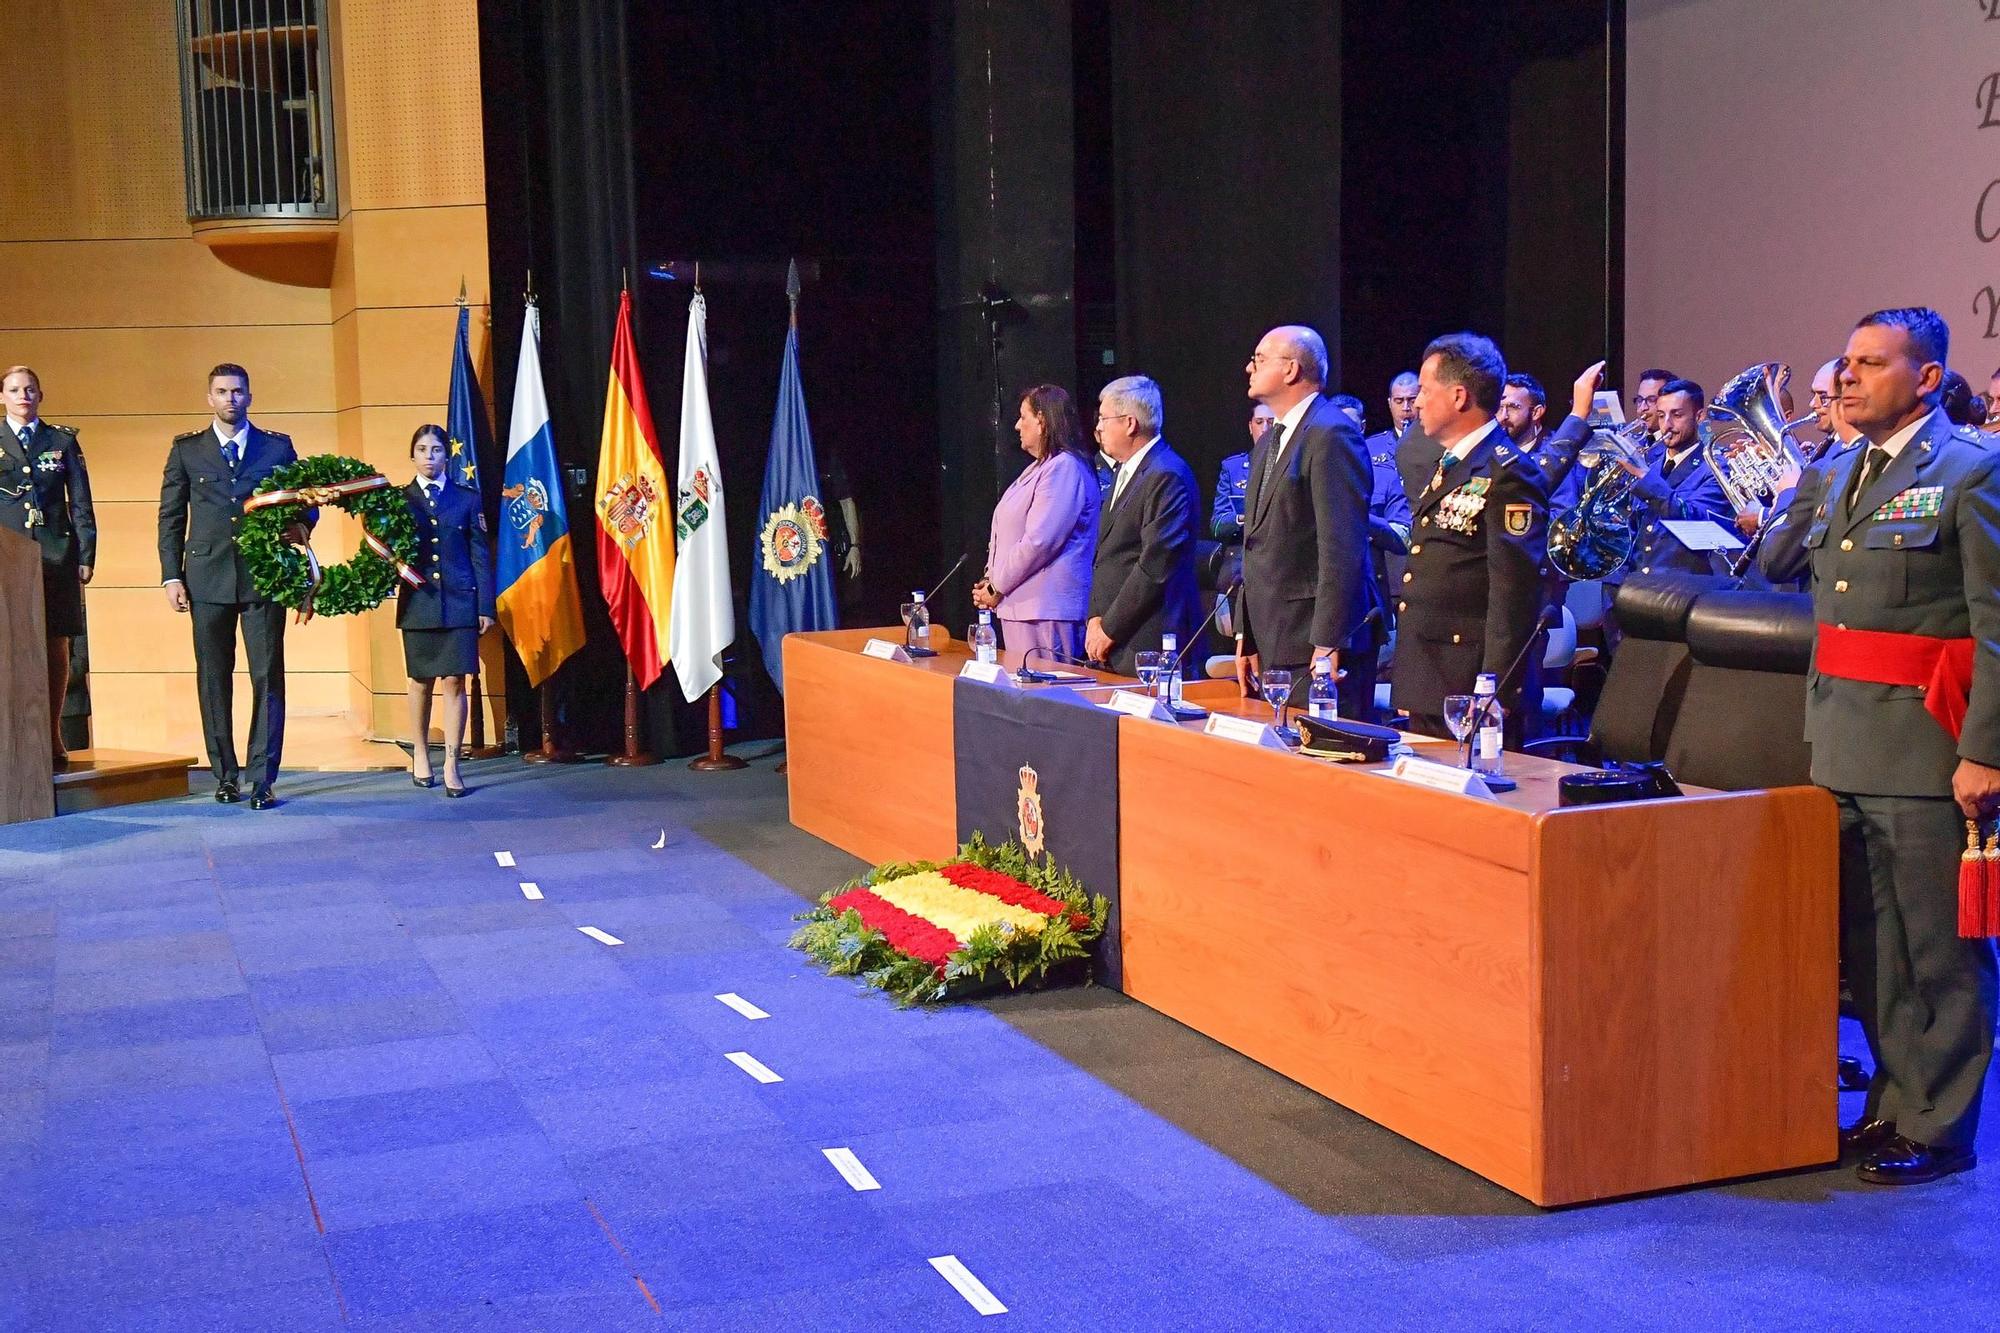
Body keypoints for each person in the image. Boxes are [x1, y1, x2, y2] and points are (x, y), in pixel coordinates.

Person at [1758, 306, 2000, 1186]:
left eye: (1870, 364)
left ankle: (1940, 1127)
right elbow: (1785, 575)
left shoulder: (1974, 471)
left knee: (1936, 946)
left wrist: (1987, 750)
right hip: (1846, 739)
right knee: (1873, 947)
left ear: (1928, 378)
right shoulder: (1840, 469)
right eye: (1846, 363)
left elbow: (1996, 625)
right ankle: (1894, 1104)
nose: (1847, 378)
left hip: (1929, 745)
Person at [1391, 332, 1548, 741]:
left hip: (1471, 683)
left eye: (1425, 390)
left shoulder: (1509, 473)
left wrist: (1494, 684)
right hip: (1432, 671)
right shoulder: (1453, 463)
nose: (1417, 402)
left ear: (1459, 397)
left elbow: (1514, 590)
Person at [157, 364, 299, 809]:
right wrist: (171, 574)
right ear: (209, 399)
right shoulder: (187, 450)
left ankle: (262, 778)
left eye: (237, 391)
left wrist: (300, 525)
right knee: (214, 679)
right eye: (221, 392)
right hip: (206, 578)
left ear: (249, 396)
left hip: (264, 578)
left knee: (267, 677)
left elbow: (303, 500)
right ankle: (225, 775)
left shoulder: (276, 448)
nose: (230, 399)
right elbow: (171, 516)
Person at [1234, 326, 1379, 719]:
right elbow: (1257, 542)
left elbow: (1342, 548)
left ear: (1291, 369)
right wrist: (1247, 635)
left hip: (1316, 642)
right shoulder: (1271, 439)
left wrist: (1328, 643)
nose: (1250, 367)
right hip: (1275, 637)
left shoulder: (1331, 433)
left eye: (1260, 359)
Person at [0, 366, 94, 768]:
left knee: (57, 643)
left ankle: (52, 733)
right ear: (2, 396)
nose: (23, 396)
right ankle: (12, 734)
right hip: (7, 558)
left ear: (41, 394)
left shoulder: (61, 440)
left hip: (55, 555)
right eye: (15, 390)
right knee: (9, 644)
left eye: (30, 389)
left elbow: (81, 502)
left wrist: (87, 554)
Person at [400, 425, 495, 797]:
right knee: (420, 681)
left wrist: (484, 605)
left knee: (455, 681)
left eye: (437, 450)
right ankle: (420, 753)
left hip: (459, 601)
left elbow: (479, 554)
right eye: (422, 449)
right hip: (419, 602)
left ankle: (452, 761)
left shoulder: (467, 499)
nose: (429, 456)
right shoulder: (399, 499)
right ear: (413, 456)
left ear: (447, 456)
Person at [972, 385, 1099, 660]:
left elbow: (1040, 541)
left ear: (1042, 421)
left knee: (1047, 698)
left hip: (1046, 611)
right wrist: (989, 580)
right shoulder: (1038, 468)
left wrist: (997, 587)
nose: (1017, 426)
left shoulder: (1064, 468)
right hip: (1021, 608)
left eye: (1023, 417)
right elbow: (1006, 535)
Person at [1085, 375, 1200, 675]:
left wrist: (1109, 628)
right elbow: (1106, 557)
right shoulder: (1125, 471)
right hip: (1113, 644)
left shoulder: (1166, 475)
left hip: (1147, 643)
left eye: (1104, 418)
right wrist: (1095, 618)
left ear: (1130, 423)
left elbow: (1155, 565)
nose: (1097, 427)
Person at [1622, 377, 1734, 578]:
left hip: (1685, 590)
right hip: (1638, 586)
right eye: (1662, 415)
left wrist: (1645, 479)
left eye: (1677, 415)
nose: (1667, 425)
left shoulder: (1717, 467)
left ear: (1699, 417)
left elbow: (1696, 522)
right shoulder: (1652, 467)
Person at [1210, 402, 1274, 638]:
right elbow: (1217, 525)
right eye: (1259, 422)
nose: (1265, 428)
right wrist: (1245, 518)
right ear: (1250, 427)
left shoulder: (1290, 467)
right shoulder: (1233, 467)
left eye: (1271, 422)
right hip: (1239, 569)